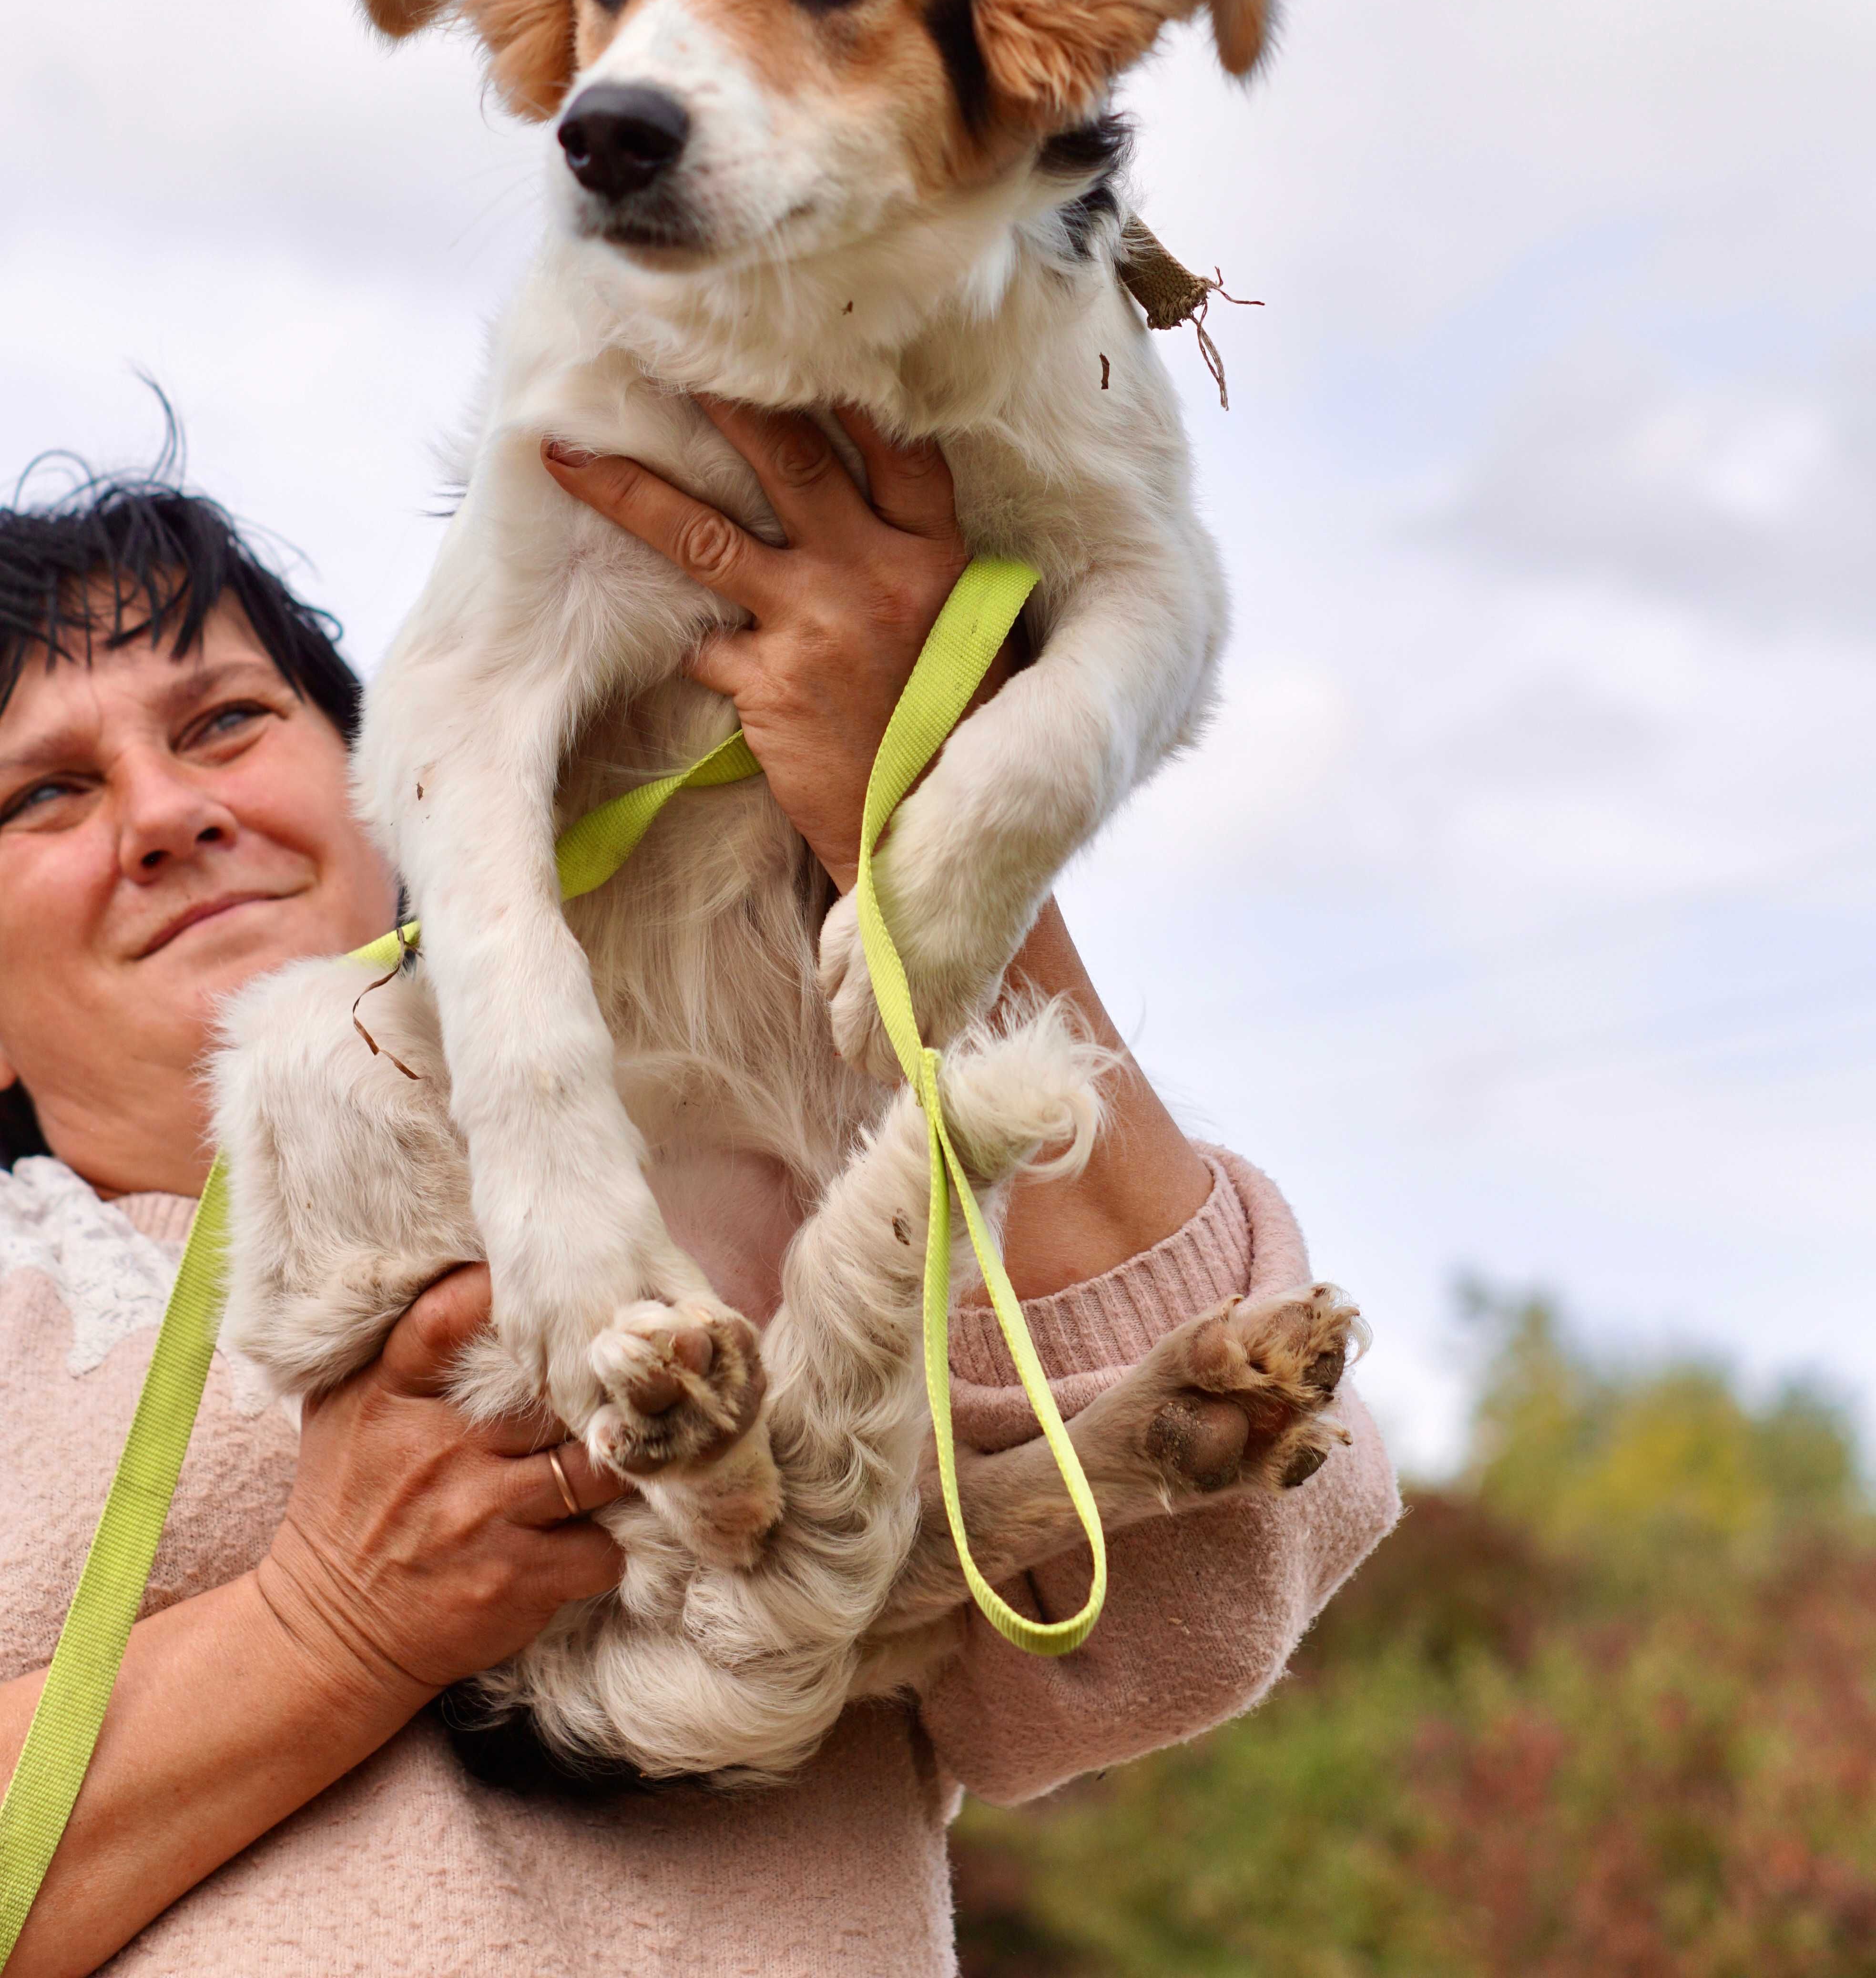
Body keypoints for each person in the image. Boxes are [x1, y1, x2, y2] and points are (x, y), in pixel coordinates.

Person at [0, 412, 1397, 1978]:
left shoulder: (734, 1092)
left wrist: (923, 837)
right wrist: (333, 1620)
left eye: (225, 723)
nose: (166, 814)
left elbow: (1191, 1617)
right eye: (39, 797)